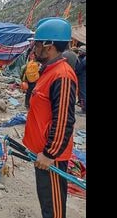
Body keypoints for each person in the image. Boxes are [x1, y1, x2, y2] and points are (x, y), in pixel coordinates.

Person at [22, 17, 77, 218]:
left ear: (49, 45)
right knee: (47, 204)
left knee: (53, 210)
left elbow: (64, 120)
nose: (34, 48)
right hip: (42, 153)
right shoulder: (48, 70)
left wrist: (50, 154)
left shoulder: (62, 75)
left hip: (51, 157)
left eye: (37, 44)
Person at [75, 45, 86, 114]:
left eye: (80, 51)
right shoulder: (82, 58)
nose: (79, 52)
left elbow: (79, 68)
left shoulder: (84, 60)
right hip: (82, 77)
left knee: (83, 93)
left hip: (83, 78)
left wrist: (75, 71)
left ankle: (84, 109)